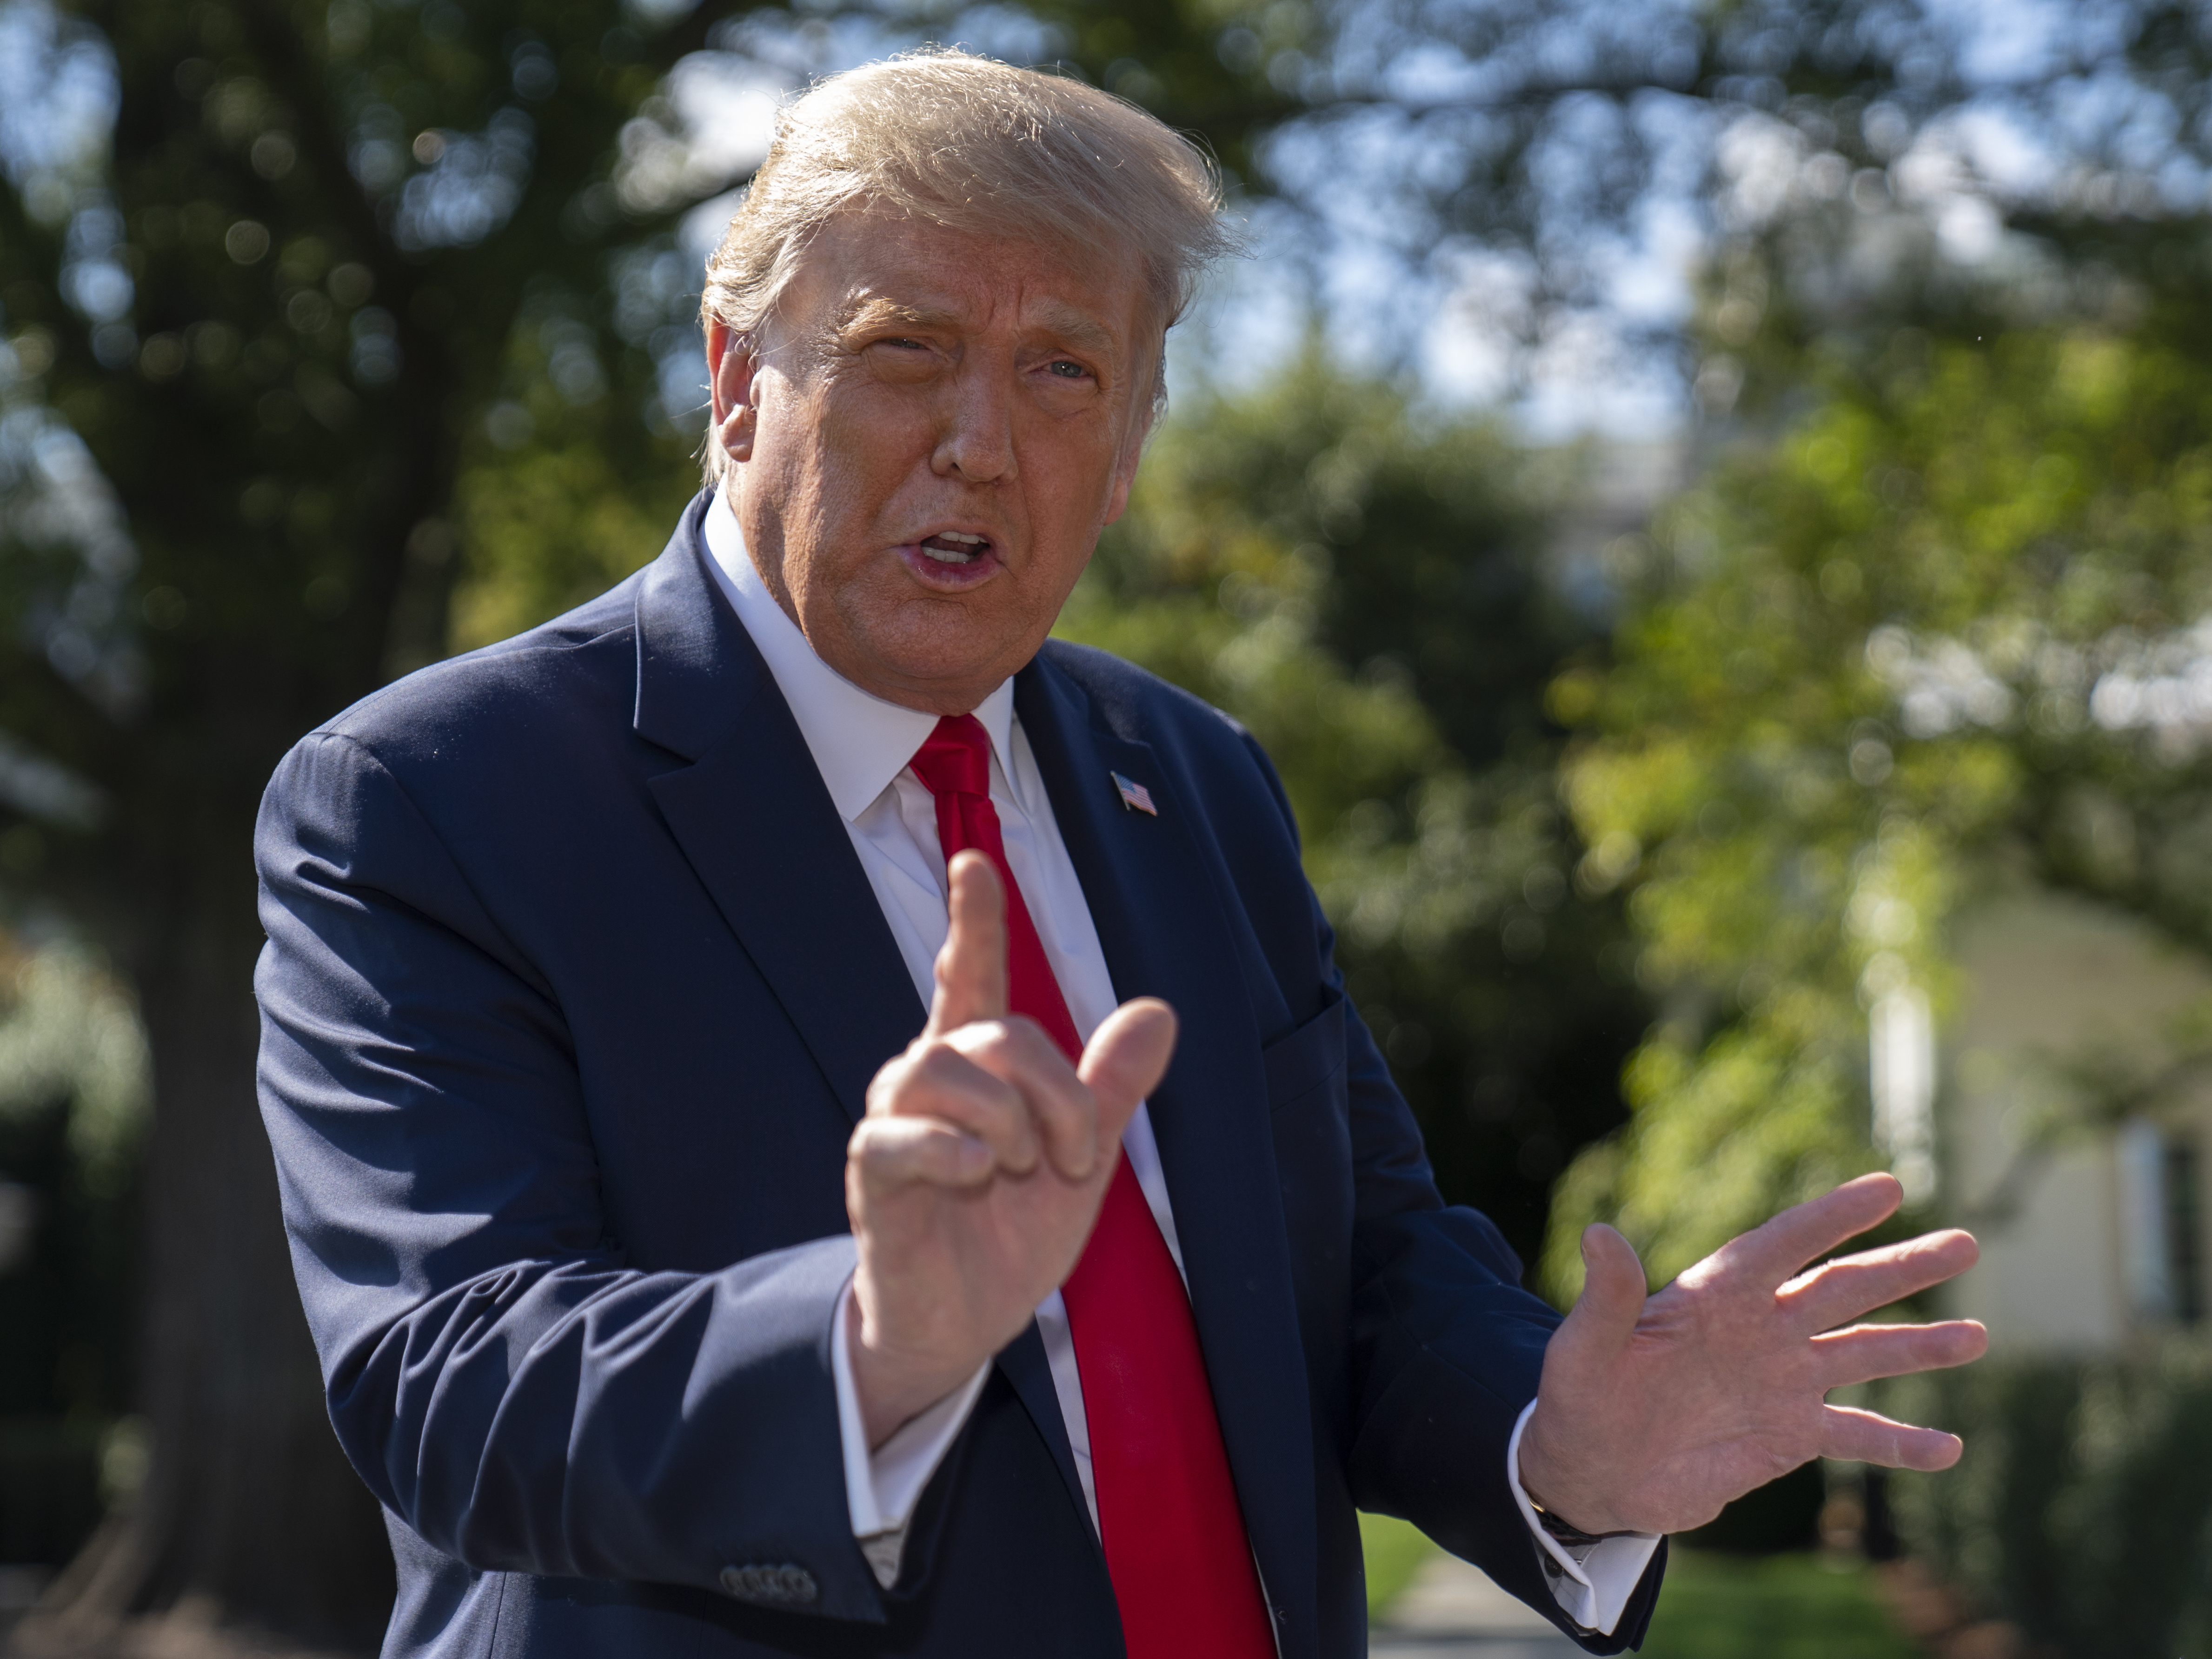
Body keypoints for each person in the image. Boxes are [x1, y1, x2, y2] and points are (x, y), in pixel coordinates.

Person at [253, 50, 1987, 1659]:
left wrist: (1563, 1437)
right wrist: (873, 1344)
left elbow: (1363, 1268)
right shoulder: (431, 799)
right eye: (903, 347)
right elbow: (449, 1379)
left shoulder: (1195, 776)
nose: (980, 444)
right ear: (732, 383)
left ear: (1135, 444)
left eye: (1064, 370)